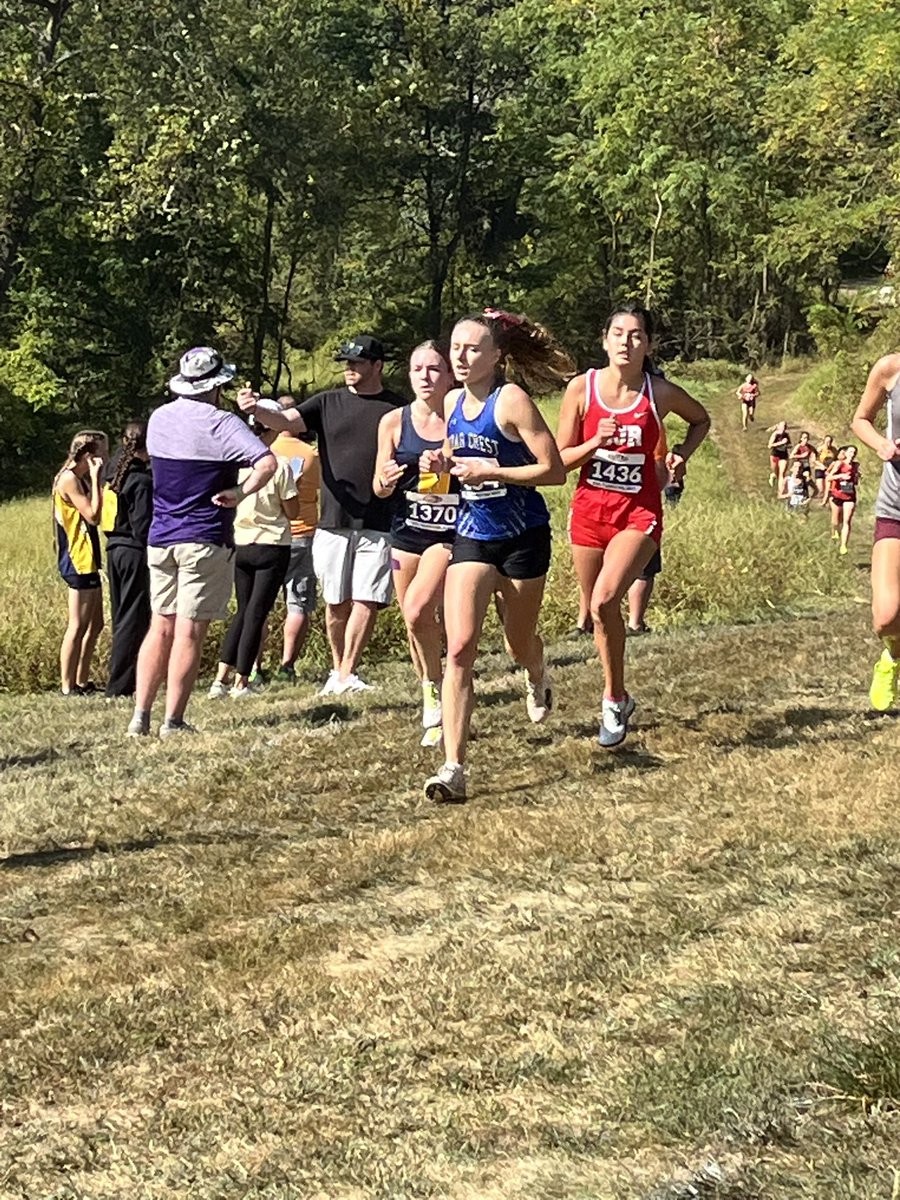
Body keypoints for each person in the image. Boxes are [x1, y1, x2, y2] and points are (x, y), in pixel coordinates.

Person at [419, 309, 572, 803]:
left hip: (523, 535)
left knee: (517, 643)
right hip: (473, 534)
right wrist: (438, 464)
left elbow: (553, 471)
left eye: (472, 348)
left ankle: (536, 672)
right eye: (455, 348)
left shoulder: (511, 401)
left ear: (496, 356)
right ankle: (453, 768)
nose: (461, 357)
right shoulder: (450, 400)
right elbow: (453, 465)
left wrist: (495, 472)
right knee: (460, 648)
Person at [556, 302, 711, 748]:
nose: (626, 342)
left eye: (636, 335)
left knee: (606, 600)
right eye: (618, 334)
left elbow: (701, 419)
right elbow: (560, 461)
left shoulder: (659, 393)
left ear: (649, 344)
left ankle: (610, 699)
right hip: (590, 512)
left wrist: (681, 454)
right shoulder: (581, 389)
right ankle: (621, 696)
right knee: (596, 613)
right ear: (604, 341)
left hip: (638, 513)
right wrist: (594, 442)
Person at [238, 335, 406, 696]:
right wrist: (254, 410)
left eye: (357, 362)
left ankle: (348, 671)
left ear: (377, 366)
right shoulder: (327, 402)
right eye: (346, 362)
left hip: (381, 519)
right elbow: (283, 419)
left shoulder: (397, 409)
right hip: (332, 521)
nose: (349, 368)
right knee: (336, 602)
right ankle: (337, 669)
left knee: (368, 598)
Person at [127, 347, 276, 738]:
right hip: (205, 535)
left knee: (160, 626)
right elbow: (267, 463)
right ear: (217, 385)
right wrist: (240, 493)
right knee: (189, 631)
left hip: (161, 536)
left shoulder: (159, 418)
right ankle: (173, 720)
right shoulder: (222, 423)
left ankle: (140, 716)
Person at [373, 340, 457, 747]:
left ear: (449, 375)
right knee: (413, 620)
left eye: (434, 369)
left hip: (449, 531)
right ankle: (431, 691)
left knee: (418, 607)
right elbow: (378, 485)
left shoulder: (462, 418)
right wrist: (386, 481)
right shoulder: (393, 421)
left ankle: (442, 690)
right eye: (417, 369)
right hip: (406, 531)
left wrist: (445, 467)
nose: (425, 377)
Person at [209, 417, 299, 698]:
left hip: (242, 541)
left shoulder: (236, 466)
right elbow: (293, 511)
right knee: (256, 613)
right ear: (269, 432)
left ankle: (220, 678)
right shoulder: (279, 465)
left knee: (242, 610)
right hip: (272, 544)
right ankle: (242, 680)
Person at [851, 353, 900, 710]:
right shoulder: (890, 369)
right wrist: (882, 445)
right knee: (885, 617)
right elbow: (860, 420)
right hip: (895, 507)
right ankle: (892, 657)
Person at [267, 400, 321, 681]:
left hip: (268, 533)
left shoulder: (263, 451)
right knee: (298, 603)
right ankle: (287, 665)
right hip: (303, 532)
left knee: (260, 605)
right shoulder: (311, 454)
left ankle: (252, 668)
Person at [53, 431, 107, 695]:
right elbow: (93, 515)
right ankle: (67, 685)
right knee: (77, 625)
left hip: (89, 557)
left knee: (96, 624)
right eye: (102, 452)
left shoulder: (80, 479)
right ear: (88, 456)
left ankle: (82, 680)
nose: (106, 458)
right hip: (77, 558)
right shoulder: (69, 479)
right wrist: (96, 479)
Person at [104, 421, 153, 697]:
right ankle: (121, 684)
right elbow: (142, 524)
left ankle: (122, 678)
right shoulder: (142, 481)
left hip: (114, 548)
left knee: (121, 614)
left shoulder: (113, 474)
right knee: (134, 617)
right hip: (134, 550)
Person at [827, 445, 859, 556]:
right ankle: (835, 530)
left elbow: (855, 481)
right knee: (836, 521)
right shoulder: (839, 464)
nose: (852, 454)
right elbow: (829, 477)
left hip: (849, 496)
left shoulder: (855, 465)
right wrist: (841, 476)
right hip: (837, 494)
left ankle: (843, 545)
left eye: (854, 452)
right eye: (850, 452)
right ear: (845, 453)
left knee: (846, 521)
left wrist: (856, 477)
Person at [767, 421, 791, 491]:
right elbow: (769, 446)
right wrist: (781, 443)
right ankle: (773, 475)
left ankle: (781, 492)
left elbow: (790, 445)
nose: (783, 428)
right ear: (779, 427)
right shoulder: (775, 434)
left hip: (783, 455)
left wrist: (787, 445)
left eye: (785, 426)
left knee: (782, 474)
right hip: (775, 455)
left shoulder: (786, 435)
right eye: (782, 426)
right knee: (776, 473)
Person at [814, 434, 837, 501]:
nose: (828, 443)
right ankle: (819, 499)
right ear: (824, 441)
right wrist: (820, 465)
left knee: (828, 488)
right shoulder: (819, 449)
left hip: (829, 470)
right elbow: (814, 459)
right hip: (819, 469)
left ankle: (825, 501)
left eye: (829, 442)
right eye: (826, 441)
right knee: (820, 488)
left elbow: (836, 459)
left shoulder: (834, 450)